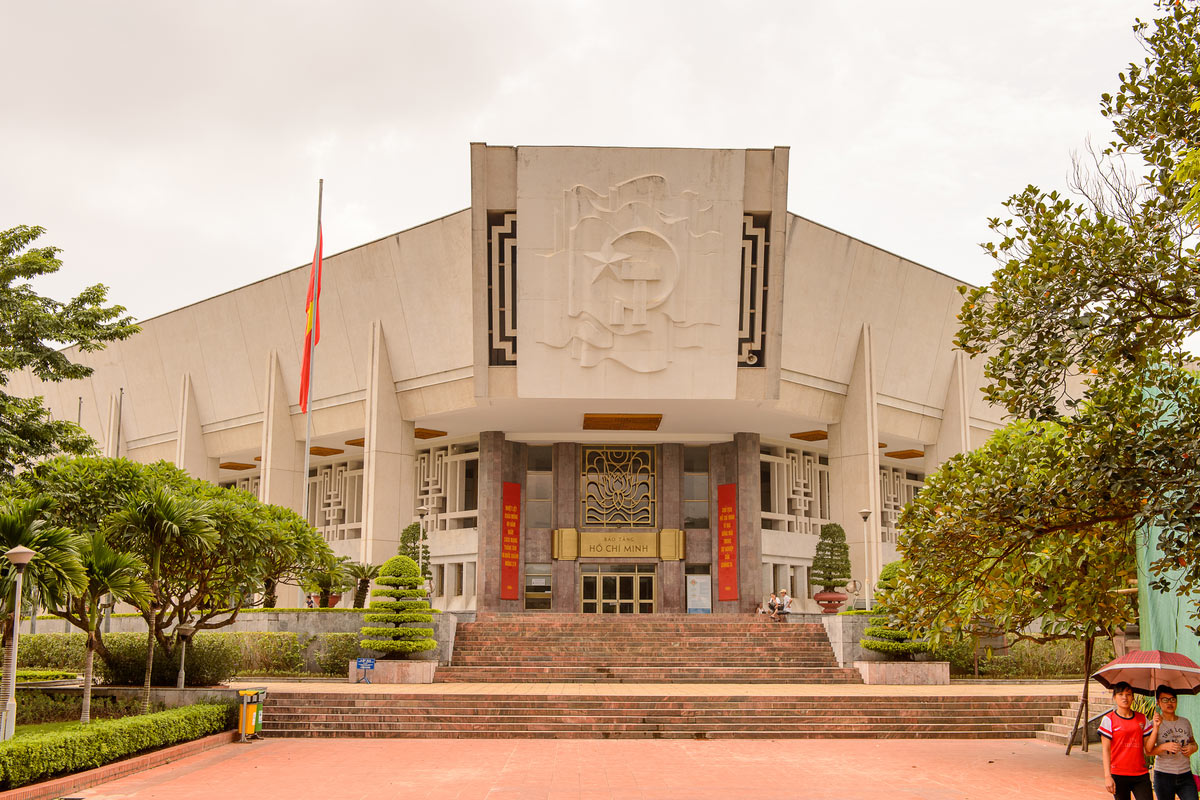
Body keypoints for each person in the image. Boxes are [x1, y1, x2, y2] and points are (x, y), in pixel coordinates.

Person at [1099, 681, 1154, 800]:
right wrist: (1107, 776)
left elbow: (1148, 748)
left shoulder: (1142, 718)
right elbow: (1106, 750)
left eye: (1128, 694)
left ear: (1133, 697)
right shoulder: (1109, 720)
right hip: (1118, 775)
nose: (1125, 697)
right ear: (1114, 697)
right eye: (1120, 694)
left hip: (1140, 774)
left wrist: (1157, 727)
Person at [1147, 685, 1198, 800]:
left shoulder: (1185, 722)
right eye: (1165, 700)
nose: (1169, 703)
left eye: (1173, 699)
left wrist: (1192, 748)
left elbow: (1194, 743)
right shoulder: (1153, 724)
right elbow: (1148, 751)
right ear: (1158, 703)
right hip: (1164, 776)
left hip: (1185, 775)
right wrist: (1163, 746)